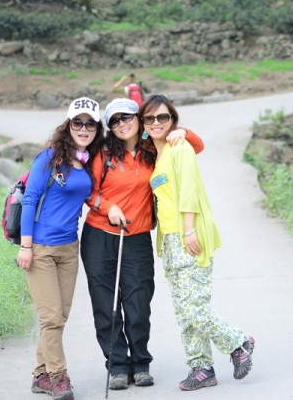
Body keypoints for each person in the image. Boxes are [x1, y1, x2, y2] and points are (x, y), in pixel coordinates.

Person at [81, 98, 204, 390]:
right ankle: (117, 367)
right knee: (106, 306)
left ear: (139, 119)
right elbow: (87, 191)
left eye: (127, 117)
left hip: (136, 238)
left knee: (138, 305)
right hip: (100, 236)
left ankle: (140, 364)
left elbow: (197, 146)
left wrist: (183, 132)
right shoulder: (103, 153)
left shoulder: (153, 150)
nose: (121, 124)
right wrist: (108, 207)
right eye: (114, 120)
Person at [139, 94, 254, 391]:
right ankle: (201, 367)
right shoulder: (156, 156)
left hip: (189, 235)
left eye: (162, 117)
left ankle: (238, 343)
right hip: (170, 241)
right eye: (149, 118)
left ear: (172, 120)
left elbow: (189, 190)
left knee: (195, 309)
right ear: (143, 123)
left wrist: (189, 230)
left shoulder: (180, 148)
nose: (156, 122)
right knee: (184, 311)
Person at [17, 97, 104, 400]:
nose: (84, 128)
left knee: (60, 316)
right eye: (78, 122)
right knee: (51, 317)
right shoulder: (50, 157)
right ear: (68, 124)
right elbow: (30, 199)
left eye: (90, 123)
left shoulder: (87, 160)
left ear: (97, 129)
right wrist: (25, 246)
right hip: (40, 248)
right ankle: (58, 377)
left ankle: (40, 375)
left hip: (69, 248)